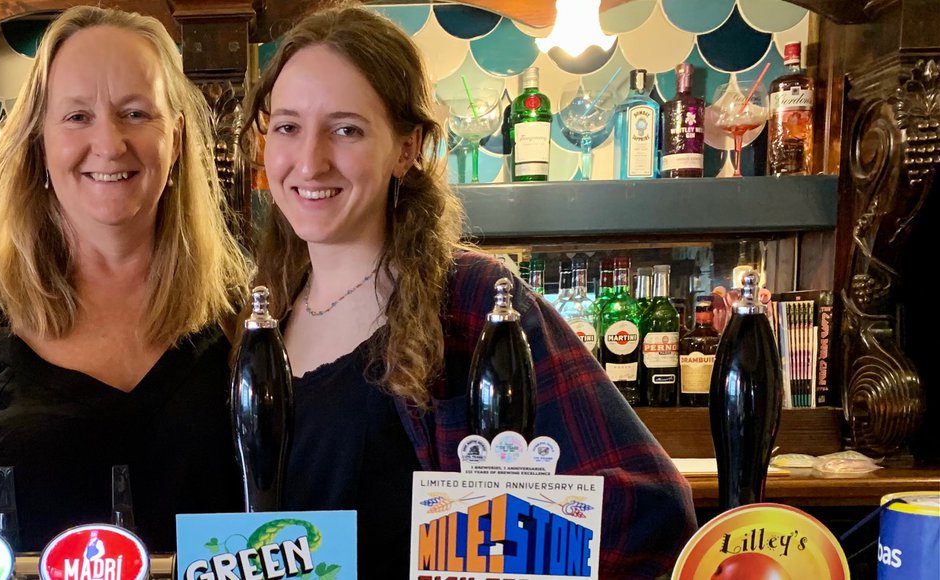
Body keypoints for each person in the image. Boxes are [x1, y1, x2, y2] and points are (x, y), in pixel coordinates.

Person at [241, 6, 696, 576]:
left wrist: (472, 548)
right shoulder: (262, 310)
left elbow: (651, 509)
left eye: (346, 129)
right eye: (287, 127)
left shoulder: (472, 300)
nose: (310, 161)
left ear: (406, 149)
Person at [0, 5, 249, 552]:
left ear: (176, 137)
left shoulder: (241, 304)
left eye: (135, 113)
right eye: (78, 116)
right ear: (40, 139)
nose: (109, 143)